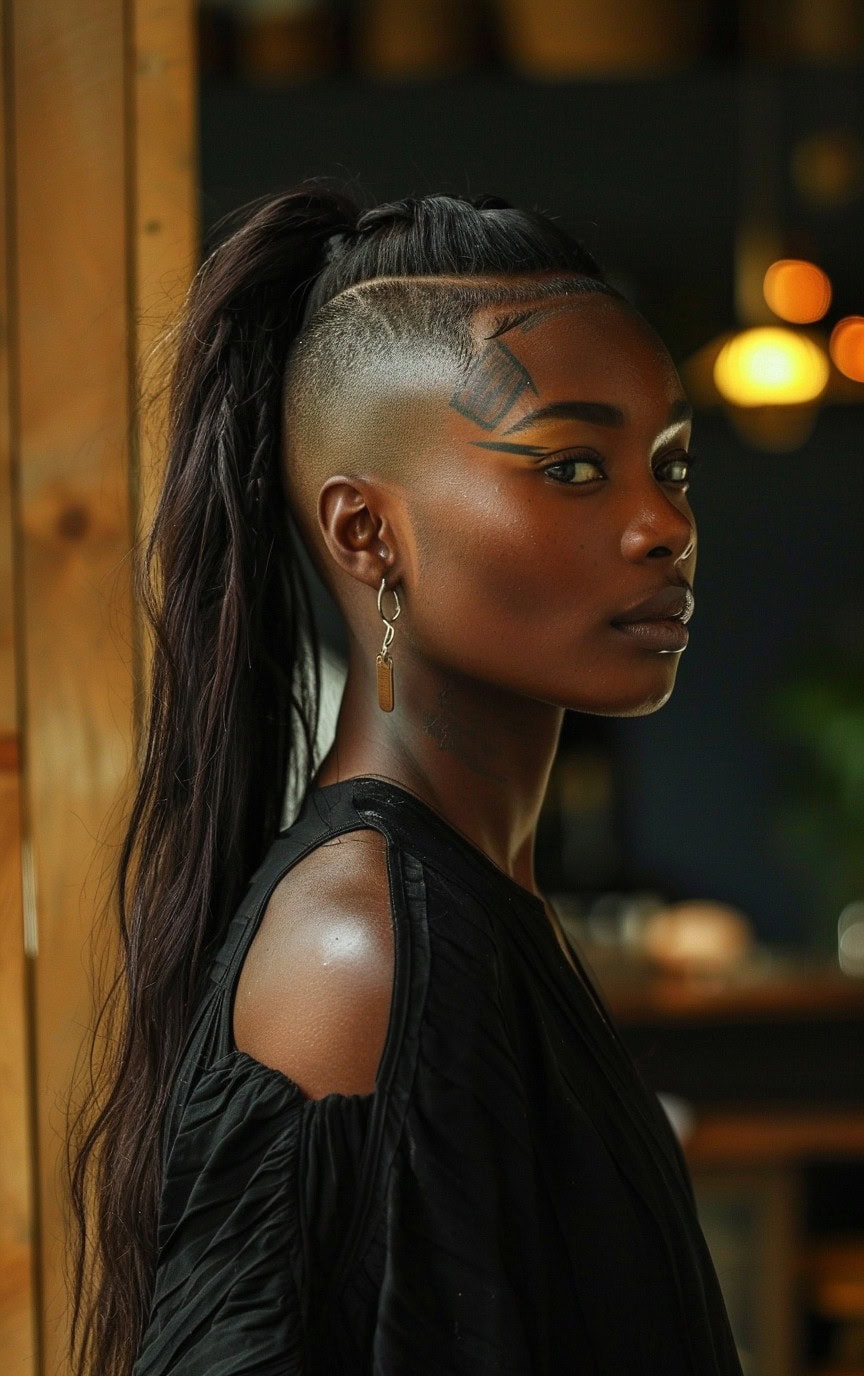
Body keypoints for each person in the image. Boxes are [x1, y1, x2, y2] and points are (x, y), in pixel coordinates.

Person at [67, 183, 742, 1376]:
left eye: (671, 464)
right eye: (576, 467)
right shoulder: (362, 947)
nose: (662, 524)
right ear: (368, 534)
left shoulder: (465, 906)